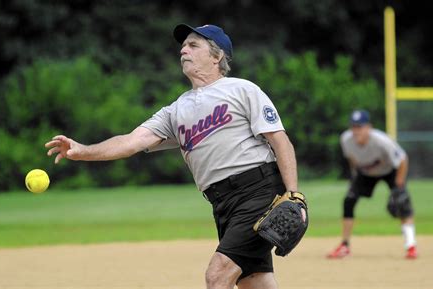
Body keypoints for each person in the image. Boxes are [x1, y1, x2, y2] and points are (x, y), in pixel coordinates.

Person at [45, 24, 306, 289]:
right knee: (253, 282)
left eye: (194, 45)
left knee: (217, 275)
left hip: (258, 191)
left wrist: (294, 194)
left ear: (217, 57)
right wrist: (83, 151)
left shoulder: (242, 90)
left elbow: (279, 141)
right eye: (183, 46)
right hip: (222, 203)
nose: (184, 49)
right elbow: (131, 141)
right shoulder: (175, 110)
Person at [327, 109, 417, 259]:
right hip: (366, 173)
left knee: (402, 203)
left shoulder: (382, 141)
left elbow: (402, 159)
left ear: (369, 127)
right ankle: (344, 246)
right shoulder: (346, 139)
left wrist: (399, 186)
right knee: (349, 201)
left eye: (360, 127)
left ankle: (411, 246)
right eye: (354, 127)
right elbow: (351, 159)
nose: (356, 131)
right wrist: (354, 177)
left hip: (390, 171)